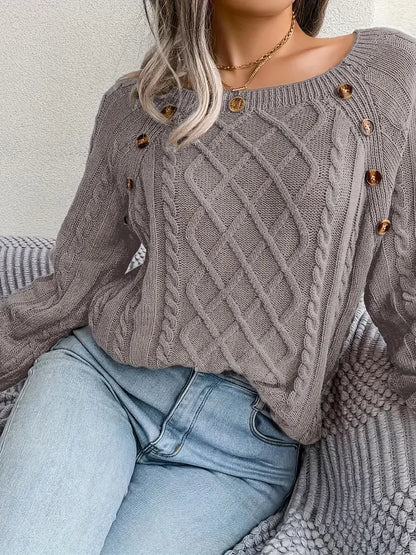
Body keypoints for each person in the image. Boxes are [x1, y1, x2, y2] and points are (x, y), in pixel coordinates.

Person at [1, 0, 416, 553]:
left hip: (242, 453)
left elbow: (406, 290)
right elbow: (72, 282)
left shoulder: (384, 79)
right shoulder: (138, 107)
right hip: (102, 382)